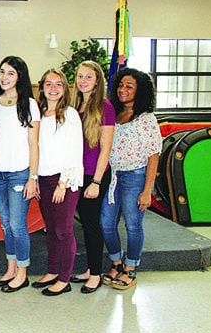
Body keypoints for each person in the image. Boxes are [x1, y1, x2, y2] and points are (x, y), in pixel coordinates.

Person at [101, 68, 161, 290]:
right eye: (120, 85)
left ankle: (131, 268)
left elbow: (153, 156)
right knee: (107, 223)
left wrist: (148, 191)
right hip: (113, 176)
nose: (123, 90)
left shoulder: (145, 119)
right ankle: (116, 263)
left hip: (135, 177)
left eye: (129, 86)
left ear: (140, 90)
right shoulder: (114, 114)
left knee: (134, 226)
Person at [0, 56, 40, 293]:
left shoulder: (29, 103)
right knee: (6, 224)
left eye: (10, 73)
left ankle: (22, 272)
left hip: (19, 174)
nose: (5, 77)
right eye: (2, 72)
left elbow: (34, 144)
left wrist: (33, 177)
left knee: (19, 225)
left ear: (20, 76)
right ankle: (10, 269)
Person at [33, 69, 83, 296]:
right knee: (51, 230)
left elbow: (74, 152)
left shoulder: (69, 114)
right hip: (43, 178)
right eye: (48, 84)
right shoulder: (39, 113)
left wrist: (63, 184)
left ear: (65, 89)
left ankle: (64, 278)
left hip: (64, 180)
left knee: (64, 230)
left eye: (58, 84)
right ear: (42, 87)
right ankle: (53, 271)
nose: (53, 88)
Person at [69, 61, 115, 294]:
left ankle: (96, 274)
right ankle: (90, 268)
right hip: (77, 173)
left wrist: (96, 181)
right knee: (84, 224)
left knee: (91, 223)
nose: (83, 80)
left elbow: (105, 148)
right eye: (80, 76)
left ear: (97, 81)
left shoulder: (105, 107)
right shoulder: (75, 105)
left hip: (94, 175)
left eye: (89, 77)